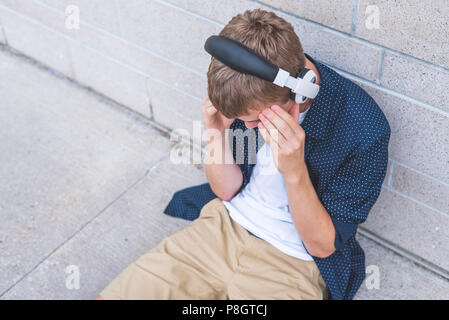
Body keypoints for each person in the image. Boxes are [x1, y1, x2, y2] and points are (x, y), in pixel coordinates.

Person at [97, 8, 390, 300]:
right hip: (222, 228)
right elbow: (225, 191)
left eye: (255, 119)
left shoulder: (364, 130)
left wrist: (294, 171)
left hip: (293, 261)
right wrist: (215, 131)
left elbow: (321, 246)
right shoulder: (247, 94)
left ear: (301, 91)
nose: (248, 127)